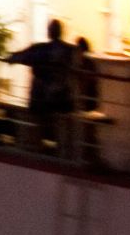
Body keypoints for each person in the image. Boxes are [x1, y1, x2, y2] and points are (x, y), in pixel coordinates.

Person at [9, 19, 83, 153]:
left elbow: (17, 57)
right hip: (64, 99)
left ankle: (35, 148)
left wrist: (12, 57)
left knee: (35, 119)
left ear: (49, 32)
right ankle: (63, 150)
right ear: (61, 32)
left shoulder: (40, 49)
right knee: (62, 125)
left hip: (41, 99)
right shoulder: (70, 50)